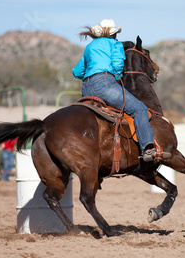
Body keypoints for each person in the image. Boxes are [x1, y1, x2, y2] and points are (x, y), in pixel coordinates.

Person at [72, 19, 170, 162]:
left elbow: (77, 72)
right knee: (140, 109)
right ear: (113, 34)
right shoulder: (115, 44)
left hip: (86, 88)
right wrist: (114, 79)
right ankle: (148, 149)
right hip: (105, 84)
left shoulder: (90, 46)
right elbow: (118, 67)